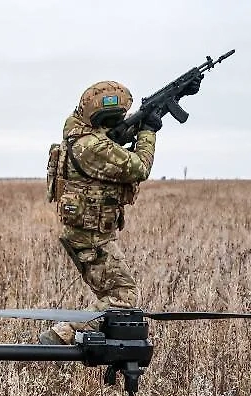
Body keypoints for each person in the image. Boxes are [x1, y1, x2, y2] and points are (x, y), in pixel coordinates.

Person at [40, 80, 189, 345]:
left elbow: (117, 137)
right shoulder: (92, 147)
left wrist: (176, 97)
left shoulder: (83, 136)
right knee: (123, 297)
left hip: (90, 234)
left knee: (117, 296)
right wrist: (148, 132)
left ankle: (91, 342)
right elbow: (139, 167)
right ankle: (63, 335)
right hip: (90, 238)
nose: (120, 120)